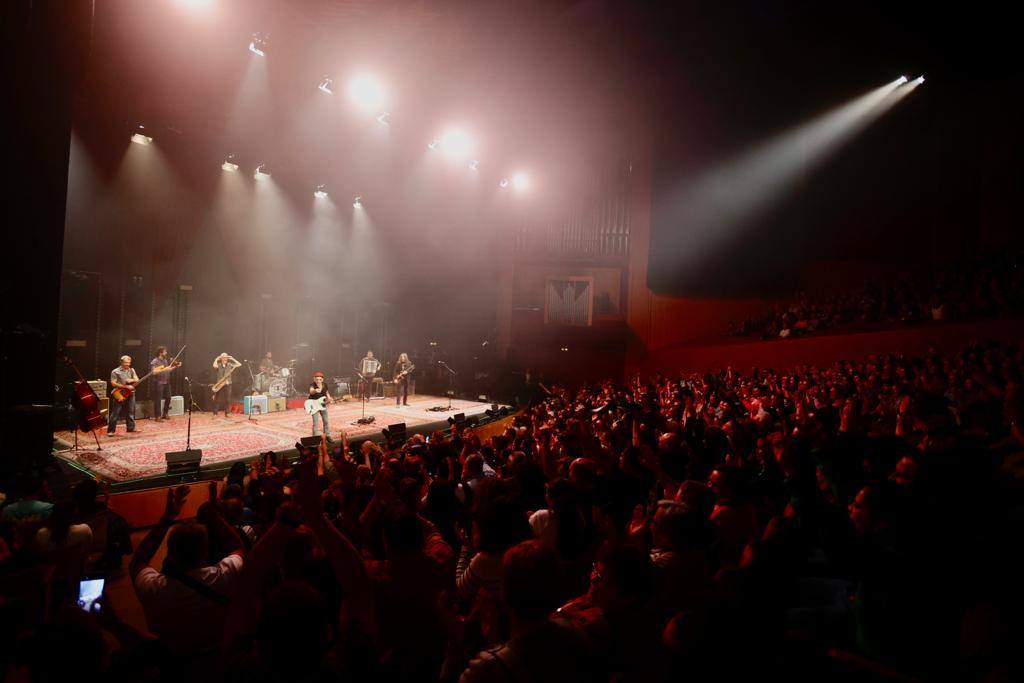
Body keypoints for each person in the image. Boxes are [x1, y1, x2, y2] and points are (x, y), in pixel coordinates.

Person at [108, 355, 140, 435]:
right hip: (119, 394)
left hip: (131, 394)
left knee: (131, 411)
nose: (128, 364)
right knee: (115, 412)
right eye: (126, 363)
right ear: (121, 362)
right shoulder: (115, 371)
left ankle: (130, 428)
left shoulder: (132, 370)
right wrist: (126, 386)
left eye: (129, 363)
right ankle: (111, 431)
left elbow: (137, 379)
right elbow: (113, 383)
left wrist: (130, 380)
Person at [149, 345, 181, 420]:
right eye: (165, 351)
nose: (166, 353)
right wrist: (164, 369)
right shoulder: (155, 361)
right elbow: (153, 372)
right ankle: (158, 416)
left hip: (166, 382)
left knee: (168, 397)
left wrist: (175, 367)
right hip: (159, 383)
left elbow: (168, 370)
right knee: (158, 399)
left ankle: (165, 413)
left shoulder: (165, 361)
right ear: (160, 353)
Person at [212, 353, 241, 419]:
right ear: (221, 358)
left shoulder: (230, 365)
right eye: (223, 357)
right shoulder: (219, 365)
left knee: (227, 399)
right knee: (217, 399)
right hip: (220, 384)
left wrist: (232, 358)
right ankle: (215, 413)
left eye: (226, 357)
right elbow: (214, 365)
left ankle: (227, 413)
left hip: (228, 383)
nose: (225, 358)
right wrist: (216, 359)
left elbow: (239, 364)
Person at [308, 371, 333, 437]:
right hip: (314, 405)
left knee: (326, 421)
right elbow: (311, 391)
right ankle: (315, 436)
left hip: (322, 404)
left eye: (320, 379)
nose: (318, 381)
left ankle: (327, 435)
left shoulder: (325, 384)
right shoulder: (312, 385)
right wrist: (315, 390)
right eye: (317, 379)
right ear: (314, 379)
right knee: (315, 423)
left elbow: (327, 392)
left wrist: (329, 398)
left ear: (322, 379)